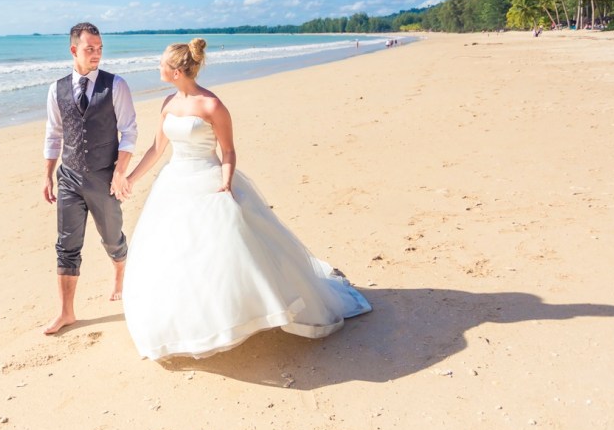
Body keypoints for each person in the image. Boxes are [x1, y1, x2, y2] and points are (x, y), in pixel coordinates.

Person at [121, 38, 371, 360]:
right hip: (174, 183)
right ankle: (188, 324)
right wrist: (130, 178)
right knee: (176, 253)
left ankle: (242, 314)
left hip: (209, 180)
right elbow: (156, 149)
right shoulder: (168, 103)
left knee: (225, 251)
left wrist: (225, 183)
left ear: (178, 70)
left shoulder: (212, 105)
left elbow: (228, 150)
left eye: (162, 64)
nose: (158, 67)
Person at [42, 22, 138, 335]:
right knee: (66, 245)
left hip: (103, 178)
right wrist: (47, 176)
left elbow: (129, 131)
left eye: (99, 48)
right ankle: (66, 312)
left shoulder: (116, 85)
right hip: (68, 176)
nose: (96, 54)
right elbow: (53, 134)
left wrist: (120, 172)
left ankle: (120, 272)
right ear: (74, 50)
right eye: (89, 49)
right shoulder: (56, 89)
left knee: (112, 238)